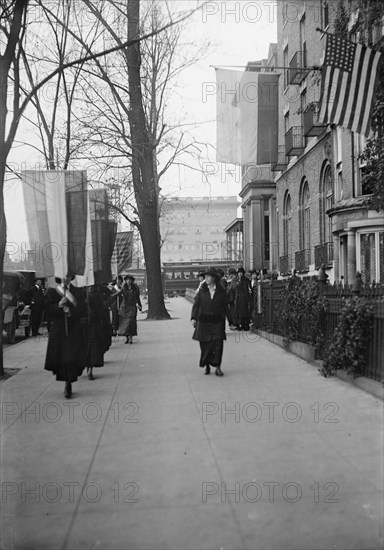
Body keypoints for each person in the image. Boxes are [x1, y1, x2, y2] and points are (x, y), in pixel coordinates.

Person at [44, 276, 88, 398]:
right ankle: (66, 382)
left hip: (73, 328)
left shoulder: (78, 291)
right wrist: (58, 305)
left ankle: (69, 384)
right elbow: (47, 310)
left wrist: (71, 312)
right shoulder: (53, 290)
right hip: (59, 329)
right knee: (62, 357)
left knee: (71, 356)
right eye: (64, 276)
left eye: (68, 276)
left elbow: (83, 310)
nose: (66, 279)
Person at [191, 267, 228, 376]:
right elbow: (196, 305)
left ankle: (218, 367)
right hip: (204, 322)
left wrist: (231, 320)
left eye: (208, 276)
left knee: (218, 345)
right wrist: (193, 318)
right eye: (205, 276)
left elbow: (225, 306)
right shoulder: (202, 291)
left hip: (217, 322)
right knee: (205, 345)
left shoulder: (221, 292)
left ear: (213, 278)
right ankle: (207, 365)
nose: (205, 279)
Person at [114, 275, 142, 344]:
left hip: (132, 307)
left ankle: (130, 338)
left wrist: (139, 305)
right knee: (125, 323)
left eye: (130, 280)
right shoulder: (124, 287)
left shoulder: (135, 288)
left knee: (131, 322)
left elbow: (137, 297)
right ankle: (126, 337)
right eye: (127, 280)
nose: (128, 281)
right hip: (125, 307)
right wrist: (112, 296)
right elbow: (119, 293)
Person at [85, 285, 105, 381]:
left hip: (93, 324)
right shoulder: (81, 294)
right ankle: (88, 367)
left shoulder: (96, 295)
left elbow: (100, 310)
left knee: (92, 347)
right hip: (83, 325)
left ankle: (90, 369)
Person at [233, 267, 251, 331]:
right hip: (238, 297)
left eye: (241, 273)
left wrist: (247, 297)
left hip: (244, 297)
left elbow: (247, 288)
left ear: (243, 273)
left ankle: (245, 324)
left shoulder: (246, 280)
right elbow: (234, 287)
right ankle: (238, 324)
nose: (240, 274)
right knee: (238, 311)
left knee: (244, 311)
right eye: (239, 273)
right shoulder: (237, 280)